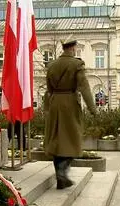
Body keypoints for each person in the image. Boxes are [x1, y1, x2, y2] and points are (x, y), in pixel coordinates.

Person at [44, 39, 97, 189]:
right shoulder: (77, 64)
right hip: (70, 104)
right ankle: (62, 171)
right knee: (73, 137)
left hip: (55, 103)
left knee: (56, 138)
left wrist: (48, 108)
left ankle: (60, 177)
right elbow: (84, 88)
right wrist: (92, 109)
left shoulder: (52, 65)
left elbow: (49, 89)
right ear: (73, 49)